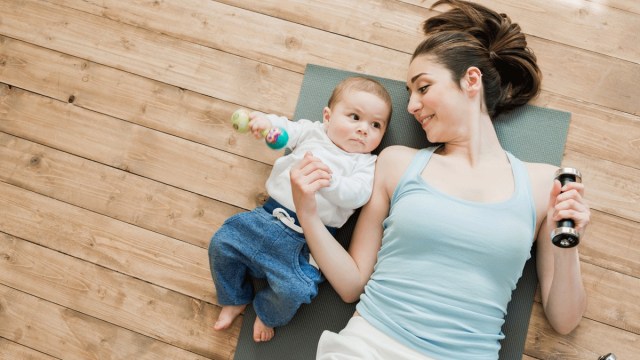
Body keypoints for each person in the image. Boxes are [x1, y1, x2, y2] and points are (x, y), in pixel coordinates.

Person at [289, 1, 589, 359]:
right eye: (409, 94)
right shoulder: (397, 163)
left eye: (423, 87)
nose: (411, 105)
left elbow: (564, 321)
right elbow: (352, 285)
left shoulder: (544, 184)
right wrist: (307, 212)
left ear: (471, 80)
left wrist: (567, 246)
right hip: (368, 347)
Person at [208, 76, 392, 342]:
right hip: (266, 218)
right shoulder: (313, 132)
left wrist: (326, 181)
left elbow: (357, 194)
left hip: (304, 243)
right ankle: (234, 298)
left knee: (296, 290)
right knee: (222, 243)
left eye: (376, 125)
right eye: (354, 117)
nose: (364, 129)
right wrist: (264, 122)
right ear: (328, 117)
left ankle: (268, 311)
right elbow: (285, 129)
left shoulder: (364, 164)